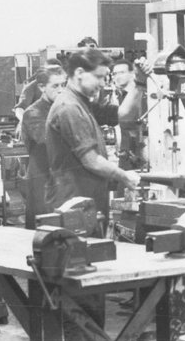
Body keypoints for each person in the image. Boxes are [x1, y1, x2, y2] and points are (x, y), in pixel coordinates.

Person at [43, 51, 141, 220]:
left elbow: (124, 114)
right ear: (80, 73)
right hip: (73, 203)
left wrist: (140, 83)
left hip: (85, 201)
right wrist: (125, 176)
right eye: (99, 77)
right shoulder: (69, 107)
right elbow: (92, 161)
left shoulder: (83, 103)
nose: (103, 83)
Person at [19, 64, 66, 221]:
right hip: (43, 181)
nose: (61, 90)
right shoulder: (33, 113)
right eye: (55, 85)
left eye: (63, 85)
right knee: (44, 228)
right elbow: (48, 140)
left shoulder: (64, 108)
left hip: (62, 179)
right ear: (41, 87)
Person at [112, 58, 149, 169]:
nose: (117, 76)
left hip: (143, 150)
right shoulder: (112, 98)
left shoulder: (144, 95)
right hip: (123, 155)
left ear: (132, 73)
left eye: (122, 72)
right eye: (115, 74)